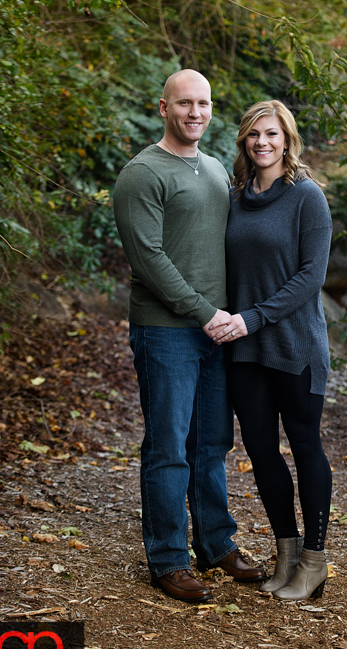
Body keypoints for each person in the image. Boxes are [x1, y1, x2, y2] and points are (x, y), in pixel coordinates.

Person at [112, 69, 265, 603]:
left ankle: (216, 545)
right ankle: (168, 559)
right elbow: (148, 259)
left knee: (211, 444)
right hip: (167, 332)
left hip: (215, 331)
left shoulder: (216, 168)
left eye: (203, 104)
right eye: (184, 104)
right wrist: (204, 311)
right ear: (163, 108)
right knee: (168, 447)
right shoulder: (141, 174)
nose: (195, 113)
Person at [208, 100, 333, 601]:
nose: (263, 142)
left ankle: (315, 560)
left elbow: (311, 277)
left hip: (294, 345)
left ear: (288, 140)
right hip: (244, 350)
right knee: (261, 451)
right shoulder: (234, 198)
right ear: (244, 141)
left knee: (305, 448)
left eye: (272, 134)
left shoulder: (307, 197)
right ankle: (286, 552)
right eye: (254, 135)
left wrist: (251, 318)